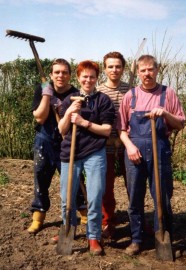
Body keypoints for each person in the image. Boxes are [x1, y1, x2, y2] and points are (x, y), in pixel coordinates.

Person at [117, 55, 186, 255]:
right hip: (135, 152)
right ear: (137, 72)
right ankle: (136, 239)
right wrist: (129, 146)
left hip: (160, 151)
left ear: (157, 70)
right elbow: (121, 129)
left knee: (162, 198)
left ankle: (162, 236)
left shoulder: (168, 93)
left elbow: (180, 124)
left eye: (150, 69)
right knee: (135, 199)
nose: (147, 73)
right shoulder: (130, 96)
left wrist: (165, 113)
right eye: (143, 70)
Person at [58, 60, 115, 255]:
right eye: (84, 76)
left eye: (92, 76)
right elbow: (62, 130)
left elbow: (107, 131)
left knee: (95, 196)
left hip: (95, 153)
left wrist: (83, 122)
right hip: (71, 153)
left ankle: (93, 236)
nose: (88, 80)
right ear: (78, 78)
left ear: (96, 78)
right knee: (67, 198)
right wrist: (69, 114)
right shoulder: (69, 100)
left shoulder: (103, 101)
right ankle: (68, 230)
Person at [27, 58, 80, 234]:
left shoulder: (76, 93)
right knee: (41, 178)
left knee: (75, 179)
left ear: (70, 75)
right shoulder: (42, 89)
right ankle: (38, 217)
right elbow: (40, 118)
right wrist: (46, 95)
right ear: (51, 74)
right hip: (45, 140)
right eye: (57, 72)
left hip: (67, 141)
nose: (60, 75)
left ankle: (84, 213)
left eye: (64, 72)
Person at [96, 52, 129, 238]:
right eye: (110, 66)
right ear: (105, 69)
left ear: (123, 68)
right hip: (105, 144)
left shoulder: (131, 89)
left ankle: (138, 220)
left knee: (133, 184)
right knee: (106, 186)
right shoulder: (99, 91)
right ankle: (108, 221)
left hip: (127, 144)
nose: (114, 70)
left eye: (118, 66)